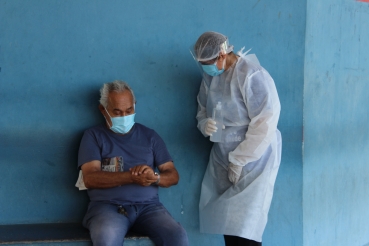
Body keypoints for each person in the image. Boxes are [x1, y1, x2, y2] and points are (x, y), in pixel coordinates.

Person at [190, 31, 282, 246]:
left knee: (247, 228)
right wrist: (204, 124)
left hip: (254, 159)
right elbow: (202, 108)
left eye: (209, 62)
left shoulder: (251, 75)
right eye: (202, 63)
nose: (206, 68)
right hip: (222, 155)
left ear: (223, 53)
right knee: (229, 225)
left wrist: (240, 159)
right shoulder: (211, 77)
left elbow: (265, 123)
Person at [76, 80, 189, 246]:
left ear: (134, 105)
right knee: (107, 238)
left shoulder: (150, 136)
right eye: (117, 112)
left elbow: (172, 175)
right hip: (108, 207)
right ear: (103, 110)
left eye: (129, 110)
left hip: (149, 208)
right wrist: (131, 177)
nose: (124, 117)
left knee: (177, 236)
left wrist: (154, 177)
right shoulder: (93, 136)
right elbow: (90, 178)